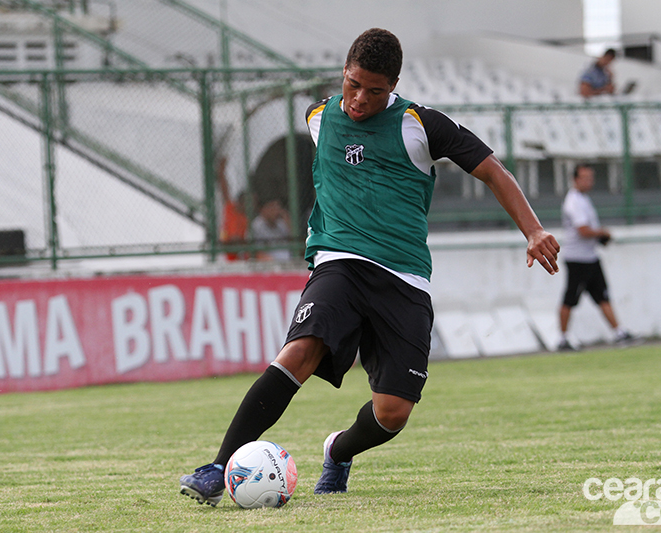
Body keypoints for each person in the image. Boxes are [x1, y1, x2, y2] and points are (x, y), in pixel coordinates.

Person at [179, 28, 560, 506]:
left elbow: (490, 169)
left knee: (393, 412)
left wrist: (534, 230)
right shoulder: (319, 117)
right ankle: (218, 467)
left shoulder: (421, 124)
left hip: (403, 277)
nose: (359, 99)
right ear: (344, 72)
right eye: (353, 84)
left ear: (393, 84)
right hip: (339, 261)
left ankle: (338, 450)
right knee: (300, 351)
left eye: (374, 90)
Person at [557, 164, 636, 351]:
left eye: (591, 178)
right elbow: (583, 230)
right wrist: (603, 233)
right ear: (575, 179)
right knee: (570, 297)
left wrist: (600, 238)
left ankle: (619, 332)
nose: (589, 181)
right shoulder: (573, 201)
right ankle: (563, 338)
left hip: (590, 257)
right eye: (585, 178)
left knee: (603, 295)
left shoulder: (584, 199)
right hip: (577, 259)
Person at [217, 157, 250, 261]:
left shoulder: (247, 217)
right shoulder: (231, 208)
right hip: (226, 250)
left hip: (240, 254)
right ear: (240, 202)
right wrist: (221, 172)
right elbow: (225, 190)